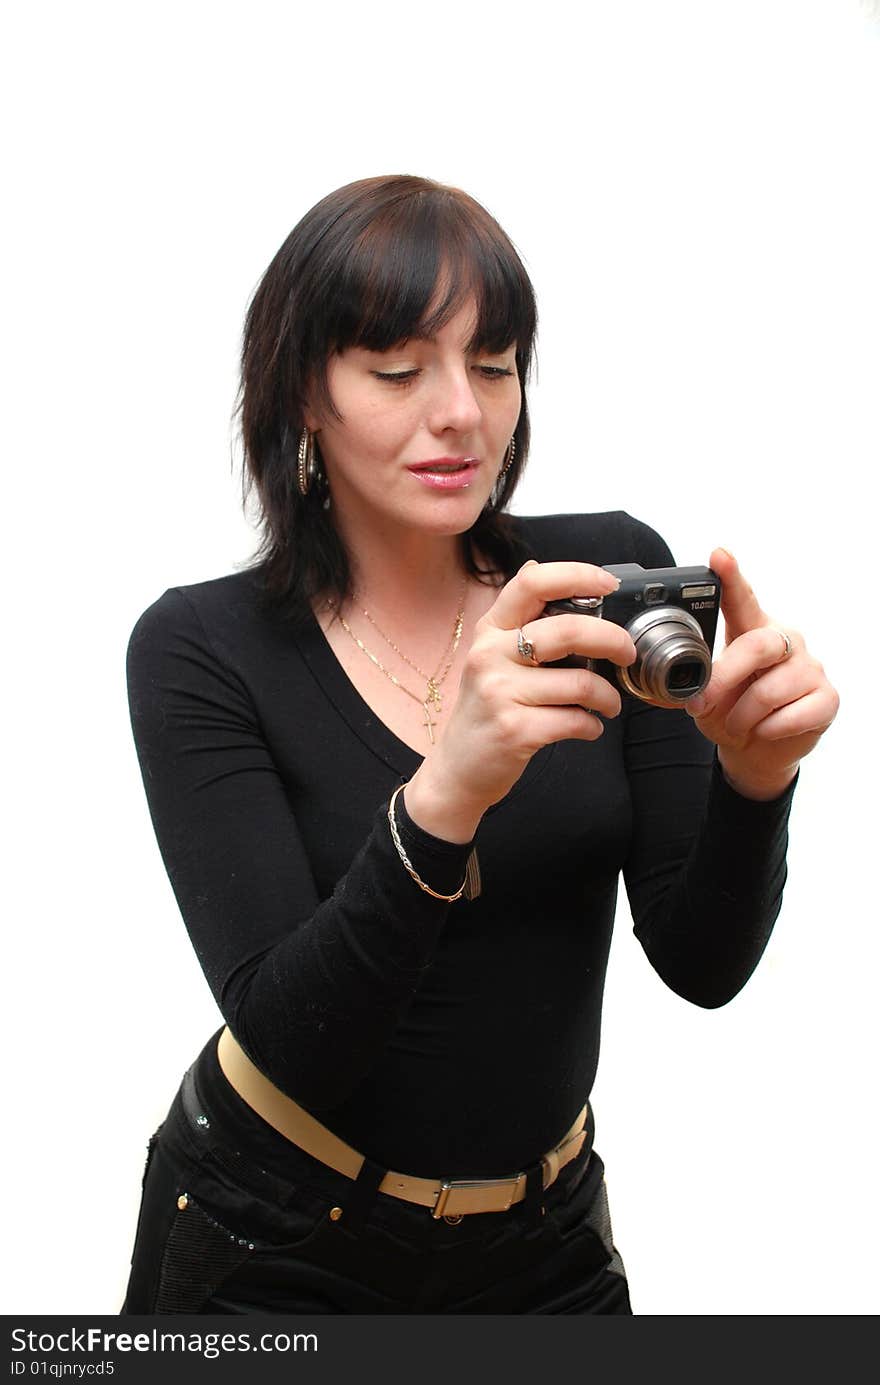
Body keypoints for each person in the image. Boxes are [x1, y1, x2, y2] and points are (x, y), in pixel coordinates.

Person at [121, 174, 839, 1315]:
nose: (460, 410)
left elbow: (701, 964)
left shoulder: (599, 581)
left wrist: (756, 779)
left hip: (543, 1239)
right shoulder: (201, 647)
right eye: (398, 369)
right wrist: (443, 795)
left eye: (494, 363)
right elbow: (291, 1036)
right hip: (273, 1235)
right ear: (305, 391)